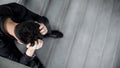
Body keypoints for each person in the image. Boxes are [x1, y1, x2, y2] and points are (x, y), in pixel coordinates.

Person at [0, 2, 63, 68]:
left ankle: (48, 33)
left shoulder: (14, 9)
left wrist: (41, 23)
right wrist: (30, 50)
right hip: (3, 42)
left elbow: (35, 17)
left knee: (45, 21)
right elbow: (19, 63)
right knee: (30, 63)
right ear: (19, 42)